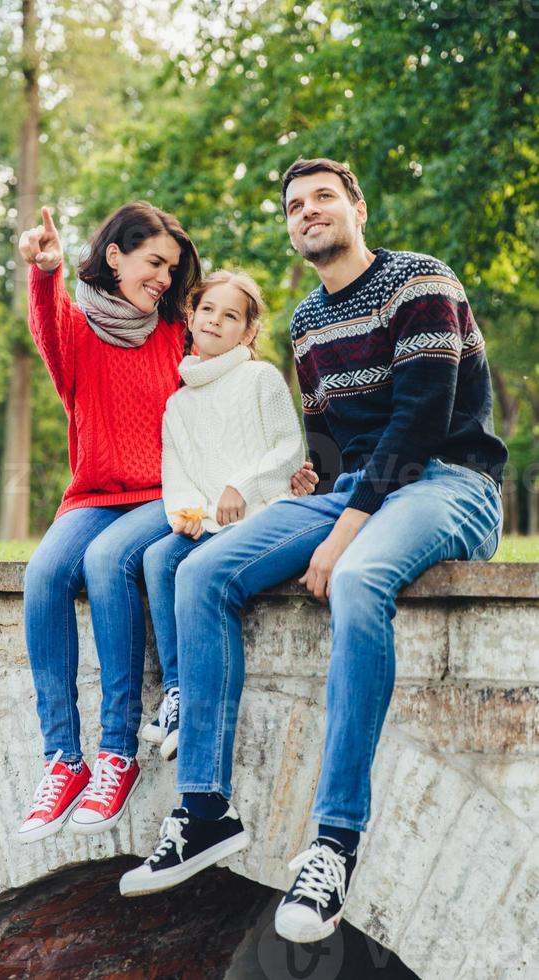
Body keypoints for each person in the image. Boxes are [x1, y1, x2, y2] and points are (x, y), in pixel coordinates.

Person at [119, 158, 507, 948]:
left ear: (357, 207)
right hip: (356, 488)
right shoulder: (305, 321)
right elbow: (337, 445)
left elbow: (422, 419)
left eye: (323, 197)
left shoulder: (419, 281)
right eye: (294, 205)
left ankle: (333, 845)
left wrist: (342, 526)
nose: (307, 211)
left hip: (447, 482)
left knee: (359, 578)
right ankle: (203, 810)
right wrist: (316, 481)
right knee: (200, 570)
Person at [16, 205, 316, 845]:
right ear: (116, 255)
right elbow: (48, 322)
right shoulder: (77, 333)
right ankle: (63, 759)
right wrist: (46, 272)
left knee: (106, 565)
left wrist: (280, 476)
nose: (163, 278)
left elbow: (226, 403)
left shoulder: (175, 334)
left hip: (165, 494)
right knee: (42, 574)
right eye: (154, 262)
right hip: (92, 496)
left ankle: (117, 751)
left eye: (172, 270)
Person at [140, 270, 306, 762]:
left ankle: (189, 703)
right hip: (209, 524)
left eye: (231, 315)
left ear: (248, 331)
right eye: (208, 310)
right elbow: (179, 472)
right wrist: (184, 513)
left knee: (187, 569)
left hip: (261, 518)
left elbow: (289, 449)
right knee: (158, 557)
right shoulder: (178, 404)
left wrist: (244, 485)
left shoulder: (260, 379)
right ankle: (177, 694)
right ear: (190, 317)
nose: (216, 321)